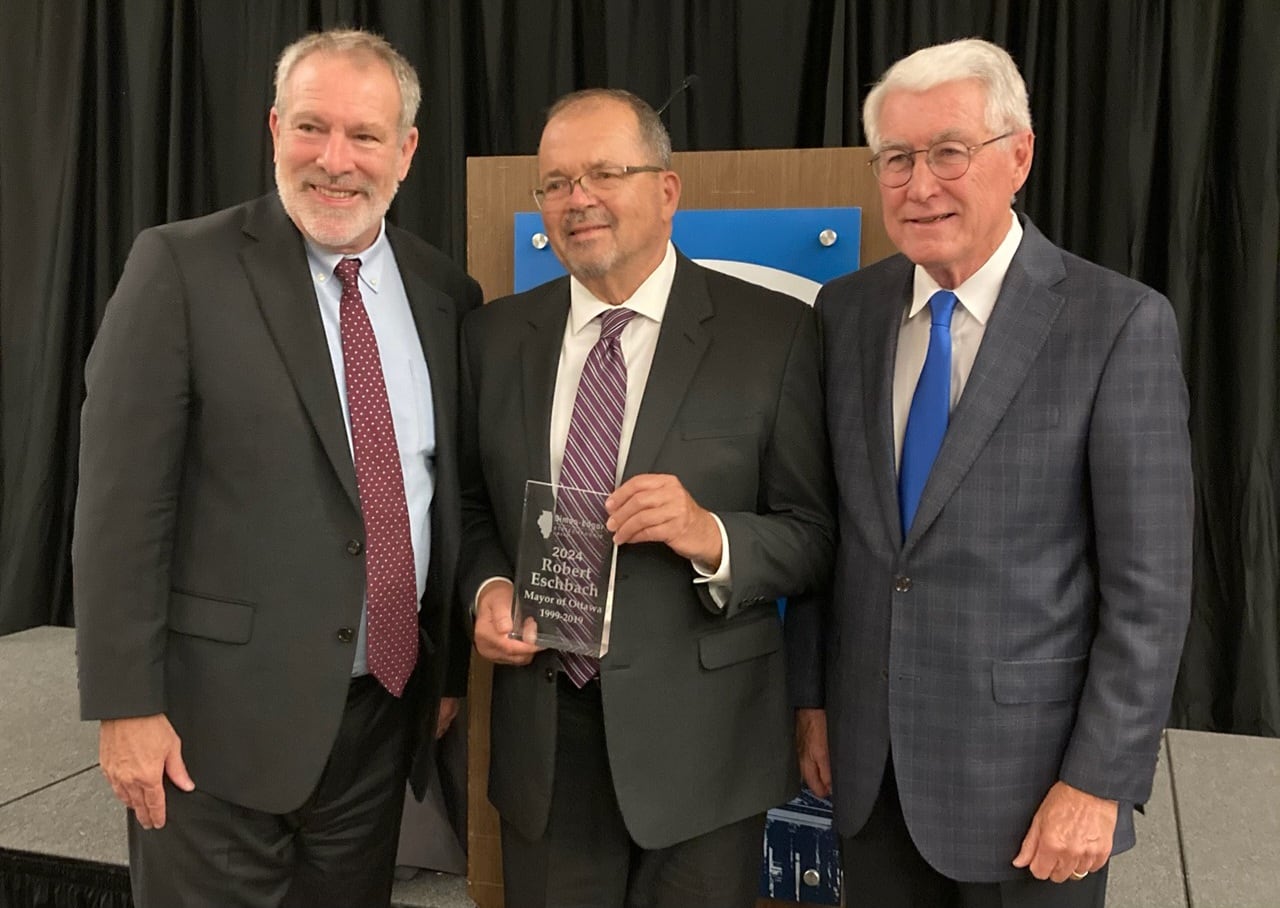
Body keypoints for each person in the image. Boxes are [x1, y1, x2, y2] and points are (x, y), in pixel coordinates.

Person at [72, 28, 480, 907]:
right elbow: (118, 508)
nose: (336, 160)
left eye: (365, 136)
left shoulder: (446, 293)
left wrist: (441, 676)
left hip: (381, 717)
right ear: (272, 129)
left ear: (405, 151)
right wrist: (124, 708)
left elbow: (441, 499)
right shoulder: (179, 267)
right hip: (210, 731)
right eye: (310, 127)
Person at [787, 38, 1193, 908]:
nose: (920, 184)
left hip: (1033, 785)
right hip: (870, 767)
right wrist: (813, 698)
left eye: (948, 152)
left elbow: (1150, 591)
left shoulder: (1116, 323)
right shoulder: (845, 313)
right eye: (897, 158)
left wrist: (1100, 780)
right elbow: (835, 535)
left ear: (1020, 156)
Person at [460, 88, 834, 908]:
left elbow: (814, 536)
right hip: (546, 747)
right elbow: (472, 510)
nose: (577, 199)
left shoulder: (775, 333)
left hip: (704, 749)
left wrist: (711, 535)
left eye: (603, 173)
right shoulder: (492, 339)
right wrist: (488, 588)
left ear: (667, 192)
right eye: (554, 182)